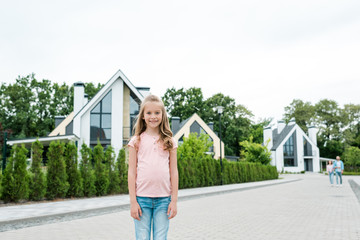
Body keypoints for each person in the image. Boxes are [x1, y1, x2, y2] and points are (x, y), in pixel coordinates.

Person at [128, 94, 178, 240]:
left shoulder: (170, 142)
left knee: (160, 237)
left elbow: (174, 172)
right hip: (141, 199)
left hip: (164, 199)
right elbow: (131, 172)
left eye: (157, 113)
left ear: (163, 115)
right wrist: (133, 202)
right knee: (142, 237)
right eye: (149, 113)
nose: (153, 116)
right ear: (143, 116)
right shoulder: (136, 141)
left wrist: (173, 201)